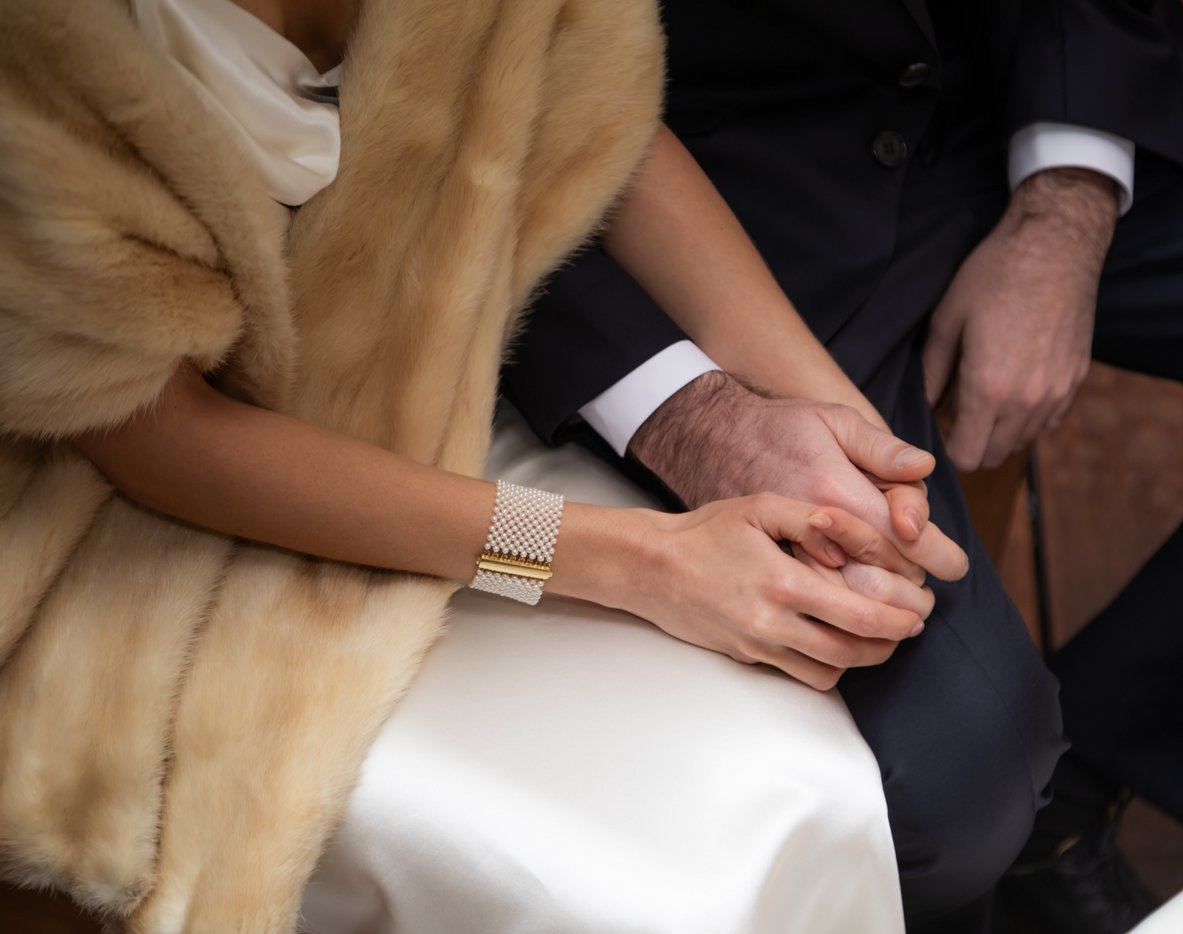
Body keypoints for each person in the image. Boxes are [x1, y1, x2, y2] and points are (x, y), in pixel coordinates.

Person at [0, 0, 969, 926]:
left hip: (448, 382)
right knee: (640, 886)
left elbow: (591, 108)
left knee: (793, 792)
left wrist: (818, 408)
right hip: (152, 516)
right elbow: (159, 437)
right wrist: (643, 562)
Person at [505, 1, 1183, 931]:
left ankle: (1086, 775)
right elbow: (482, 105)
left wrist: (1068, 200)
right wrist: (690, 422)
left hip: (1019, 66)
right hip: (722, 189)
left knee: (970, 754)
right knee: (956, 774)